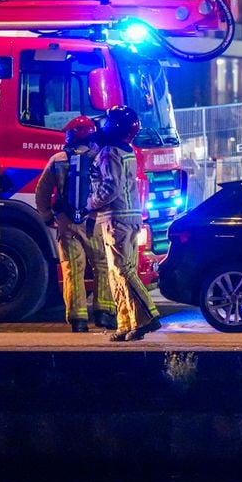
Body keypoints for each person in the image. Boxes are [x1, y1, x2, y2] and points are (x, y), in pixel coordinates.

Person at [34, 115, 116, 333]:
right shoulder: (101, 157)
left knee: (73, 269)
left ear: (69, 136)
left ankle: (78, 319)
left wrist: (47, 217)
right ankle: (104, 314)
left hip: (66, 223)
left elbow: (42, 192)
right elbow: (109, 189)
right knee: (102, 265)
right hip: (95, 222)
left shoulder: (58, 159)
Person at [88, 105, 162, 342]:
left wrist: (89, 203)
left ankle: (148, 317)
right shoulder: (126, 150)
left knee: (123, 271)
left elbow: (110, 187)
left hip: (116, 219)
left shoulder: (109, 152)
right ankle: (127, 323)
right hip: (127, 218)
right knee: (116, 273)